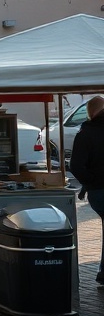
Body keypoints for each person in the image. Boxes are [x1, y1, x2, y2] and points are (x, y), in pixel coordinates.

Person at [70, 95, 104, 285]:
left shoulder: (86, 133)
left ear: (91, 112)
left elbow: (76, 165)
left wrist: (91, 182)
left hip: (98, 190)